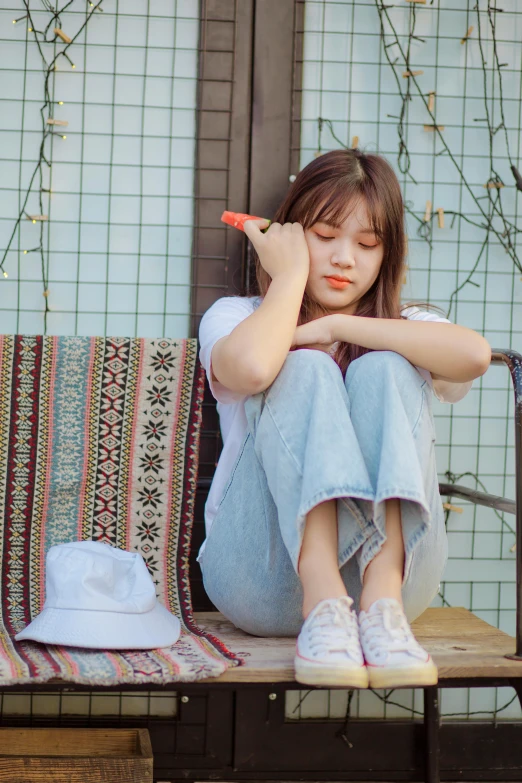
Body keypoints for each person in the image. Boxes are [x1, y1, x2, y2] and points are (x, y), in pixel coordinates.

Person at [197, 148, 491, 689]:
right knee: (302, 368)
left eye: (366, 244)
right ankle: (321, 593)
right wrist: (287, 281)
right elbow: (257, 366)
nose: (343, 258)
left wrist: (340, 329)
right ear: (290, 234)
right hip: (263, 579)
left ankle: (377, 596)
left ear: (386, 255)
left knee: (384, 368)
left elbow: (473, 356)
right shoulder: (238, 318)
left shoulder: (411, 326)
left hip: (398, 594)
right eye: (325, 235)